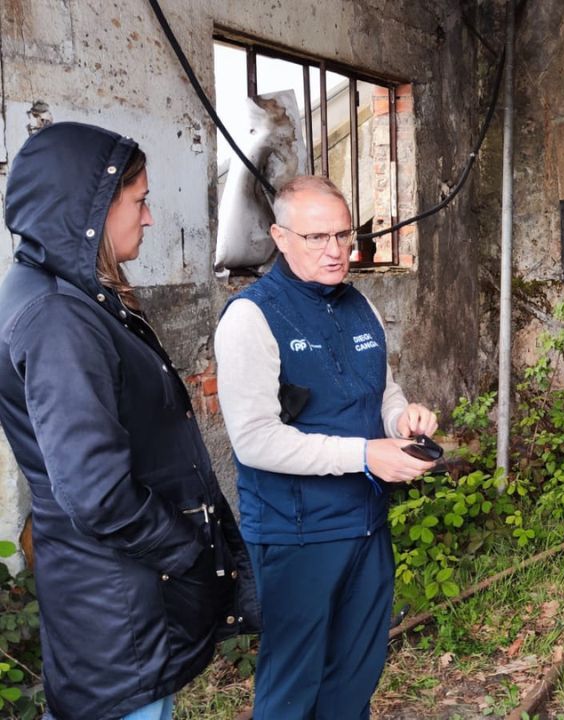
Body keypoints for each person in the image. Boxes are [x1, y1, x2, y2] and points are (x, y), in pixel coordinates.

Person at [0, 122, 259, 720]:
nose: (148, 218)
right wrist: (188, 547)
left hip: (117, 602)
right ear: (87, 210)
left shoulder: (66, 297)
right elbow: (96, 493)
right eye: (139, 201)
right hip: (117, 612)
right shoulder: (56, 318)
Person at [215, 175, 438, 719]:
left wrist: (401, 420)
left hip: (366, 524)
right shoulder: (251, 317)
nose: (336, 250)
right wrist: (365, 456)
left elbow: (381, 390)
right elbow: (254, 442)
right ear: (280, 237)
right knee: (293, 690)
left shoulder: (360, 304)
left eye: (342, 234)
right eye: (317, 237)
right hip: (297, 534)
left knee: (354, 679)